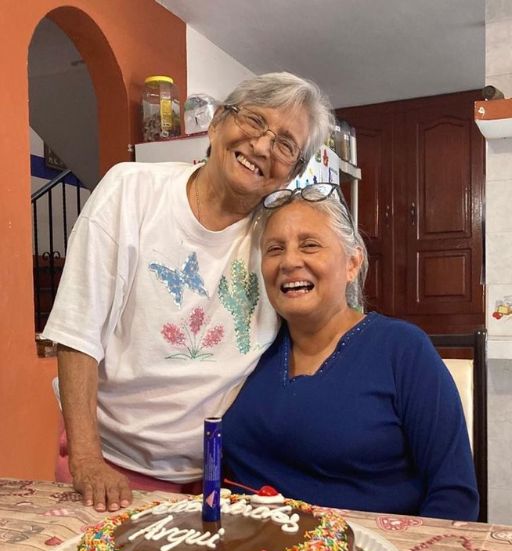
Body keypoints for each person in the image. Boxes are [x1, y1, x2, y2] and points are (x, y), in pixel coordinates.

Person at [41, 72, 335, 512]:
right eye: (254, 120)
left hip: (224, 473)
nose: (261, 146)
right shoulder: (131, 191)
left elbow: (314, 330)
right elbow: (76, 332)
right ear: (216, 124)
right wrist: (87, 461)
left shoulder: (276, 239)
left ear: (291, 173)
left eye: (285, 144)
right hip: (112, 465)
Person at [222, 184, 479, 520]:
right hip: (247, 545)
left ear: (352, 263)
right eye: (274, 249)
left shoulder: (403, 350)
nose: (289, 261)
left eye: (309, 245)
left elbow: (454, 494)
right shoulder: (249, 350)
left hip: (370, 550)